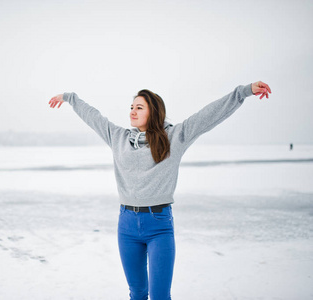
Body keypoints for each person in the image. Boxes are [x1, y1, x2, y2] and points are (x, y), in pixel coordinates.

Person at [48, 81, 271, 300]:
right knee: (137, 293)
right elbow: (94, 117)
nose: (132, 112)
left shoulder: (175, 137)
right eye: (131, 107)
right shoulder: (118, 138)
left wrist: (243, 92)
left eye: (139, 107)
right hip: (126, 225)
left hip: (159, 226)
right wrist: (69, 98)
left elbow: (208, 115)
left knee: (159, 296)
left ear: (153, 112)